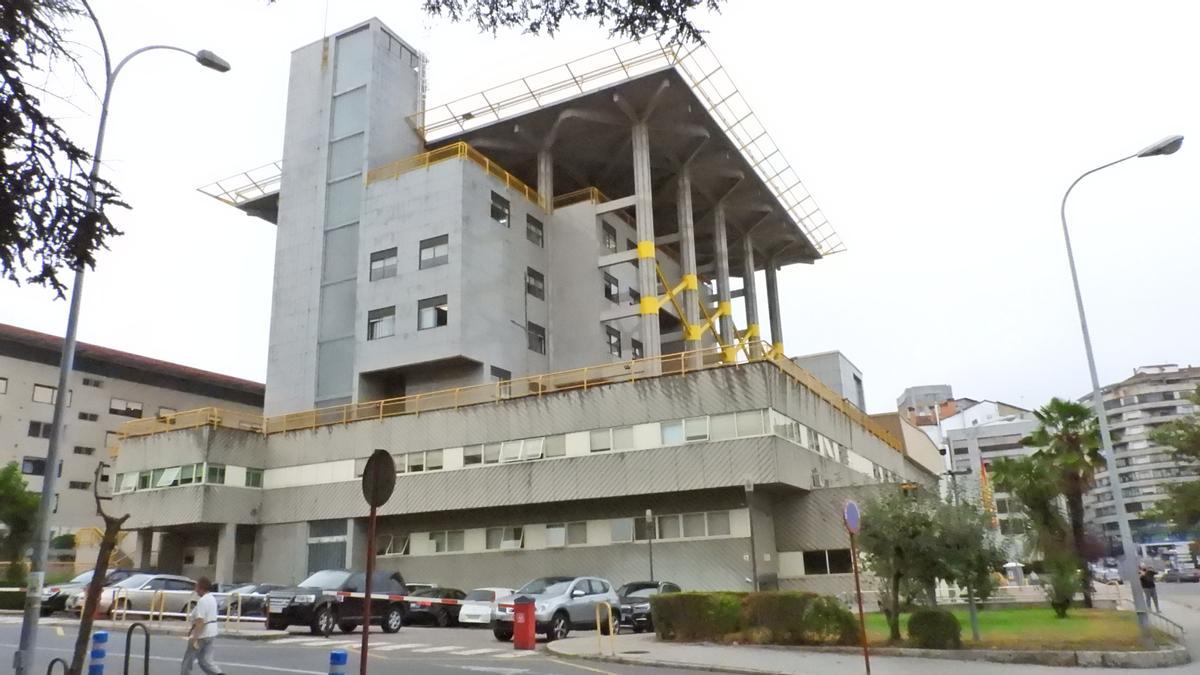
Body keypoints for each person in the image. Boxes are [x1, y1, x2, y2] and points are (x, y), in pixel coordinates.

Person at [182, 577, 224, 675]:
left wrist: (194, 638)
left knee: (188, 660)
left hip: (203, 634)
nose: (195, 589)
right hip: (212, 632)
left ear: (201, 587)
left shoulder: (202, 601)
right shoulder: (212, 598)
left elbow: (200, 621)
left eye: (196, 586)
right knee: (205, 660)